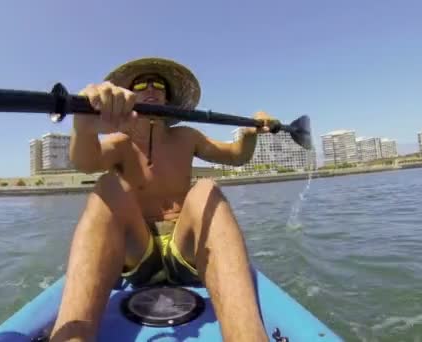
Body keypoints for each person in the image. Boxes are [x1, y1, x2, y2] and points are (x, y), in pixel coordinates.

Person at [50, 57, 278, 342]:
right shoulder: (121, 143)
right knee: (107, 185)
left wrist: (248, 133)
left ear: (167, 97)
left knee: (207, 188)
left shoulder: (187, 136)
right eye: (141, 84)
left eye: (158, 84)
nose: (151, 88)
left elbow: (236, 156)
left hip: (186, 250)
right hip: (140, 253)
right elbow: (85, 162)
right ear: (128, 96)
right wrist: (84, 129)